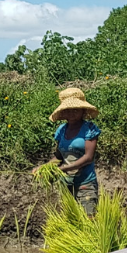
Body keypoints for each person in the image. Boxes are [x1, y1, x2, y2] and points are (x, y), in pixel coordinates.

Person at [35, 87, 102, 215]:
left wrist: (64, 168)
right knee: (70, 219)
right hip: (66, 183)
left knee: (89, 218)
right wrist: (45, 167)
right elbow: (59, 156)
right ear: (63, 112)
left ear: (83, 111)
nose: (72, 113)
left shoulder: (89, 129)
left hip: (85, 184)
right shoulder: (61, 130)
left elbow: (88, 157)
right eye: (68, 110)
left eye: (76, 110)